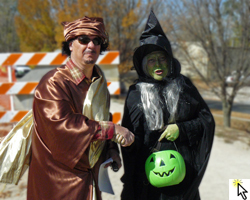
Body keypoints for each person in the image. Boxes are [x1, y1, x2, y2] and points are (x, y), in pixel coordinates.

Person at [27, 16, 134, 200]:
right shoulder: (53, 83)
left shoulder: (98, 82)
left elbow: (103, 117)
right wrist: (111, 130)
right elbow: (61, 126)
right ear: (70, 44)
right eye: (83, 39)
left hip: (90, 180)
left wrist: (110, 150)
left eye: (97, 40)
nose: (91, 45)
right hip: (59, 184)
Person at [121, 10, 215, 200]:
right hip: (148, 179)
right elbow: (131, 138)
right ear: (143, 65)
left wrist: (181, 129)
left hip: (182, 178)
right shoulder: (135, 94)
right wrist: (126, 141)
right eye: (151, 60)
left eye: (162, 58)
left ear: (170, 61)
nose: (157, 64)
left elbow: (206, 121)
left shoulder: (184, 86)